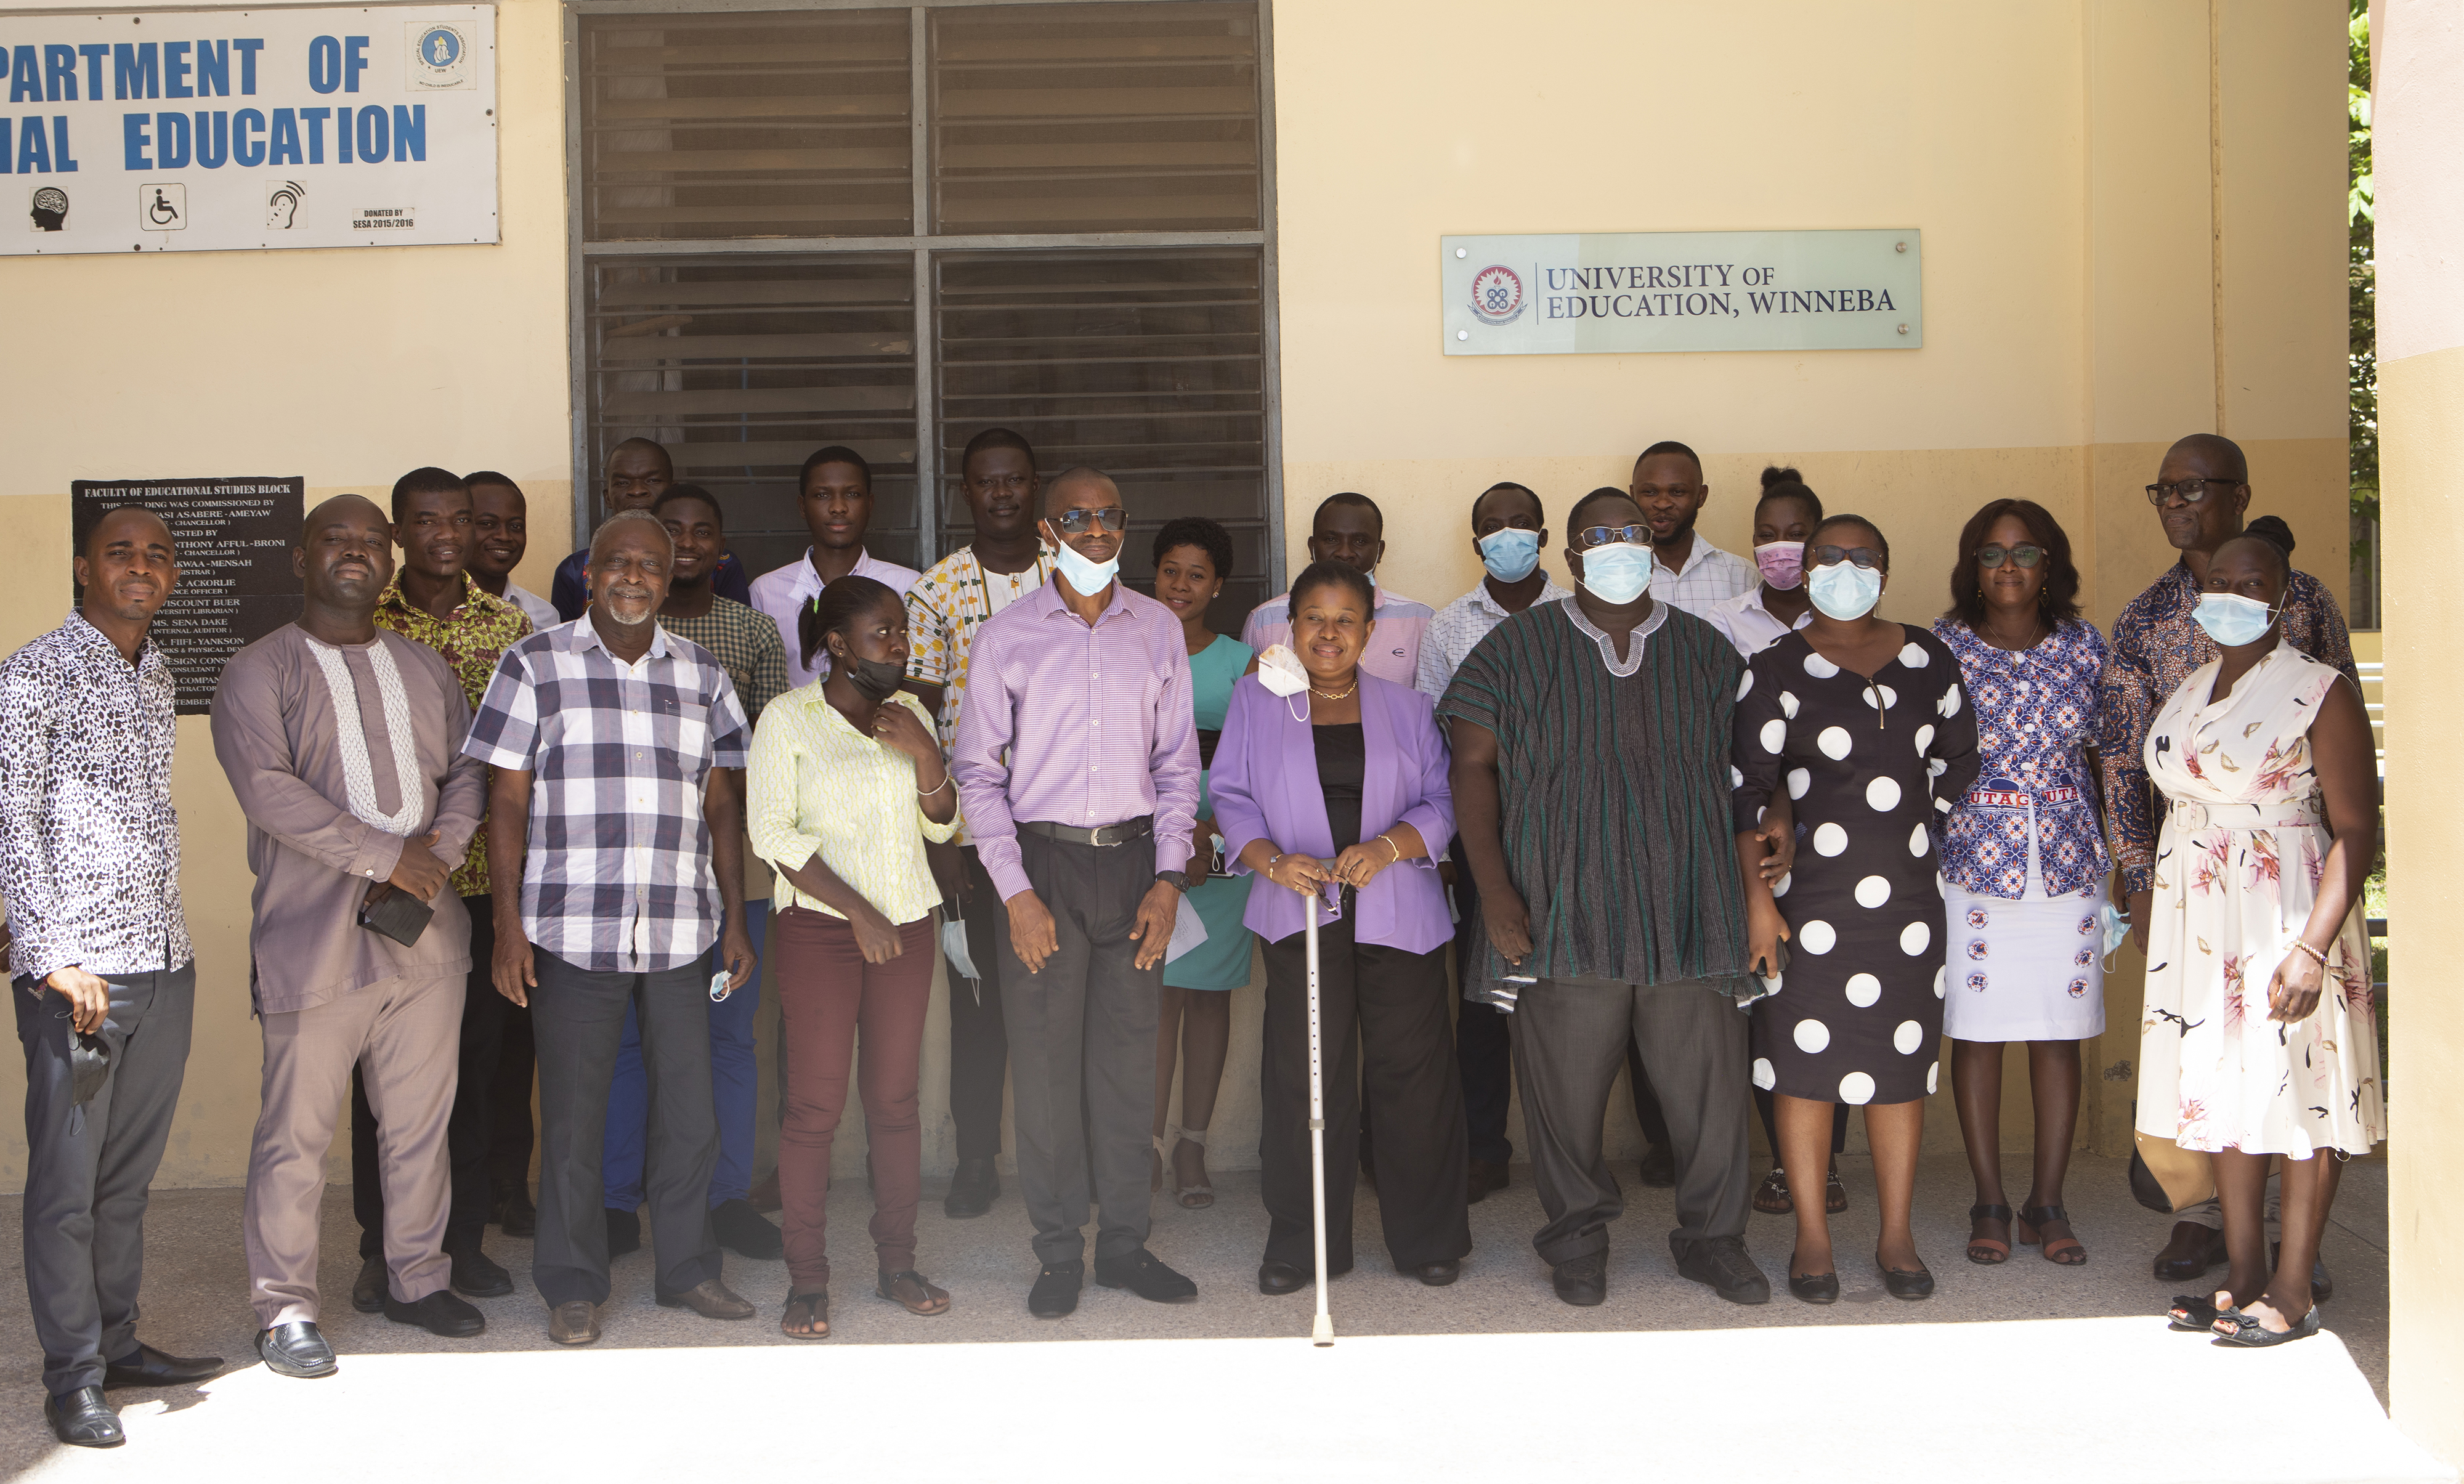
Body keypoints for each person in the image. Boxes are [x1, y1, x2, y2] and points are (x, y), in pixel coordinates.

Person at [1441, 487, 1775, 1309]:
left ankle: (1713, 1238)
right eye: (1600, 535)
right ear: (1571, 555)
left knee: (1710, 1094)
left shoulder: (1707, 651)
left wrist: (1766, 865)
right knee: (1563, 1096)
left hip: (1690, 910)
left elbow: (1756, 771)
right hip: (1563, 910)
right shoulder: (1517, 648)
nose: (1618, 546)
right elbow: (1470, 768)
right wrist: (1496, 894)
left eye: (1630, 532)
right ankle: (1578, 1238)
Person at [212, 495, 491, 1379]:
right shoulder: (258, 671)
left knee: (418, 1123)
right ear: (302, 557)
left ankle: (417, 1276)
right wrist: (385, 855)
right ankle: (285, 1307)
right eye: (337, 538)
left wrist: (433, 857)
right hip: (313, 937)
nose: (357, 553)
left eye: (373, 541)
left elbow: (469, 773)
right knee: (294, 1134)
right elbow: (268, 789)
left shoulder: (425, 669)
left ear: (393, 557)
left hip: (427, 937)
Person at [465, 510, 760, 1346]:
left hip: (680, 929)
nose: (634, 577)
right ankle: (571, 1282)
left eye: (651, 566)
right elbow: (507, 798)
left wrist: (736, 919)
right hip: (570, 927)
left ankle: (688, 1269)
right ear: (590, 574)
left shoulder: (701, 674)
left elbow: (720, 802)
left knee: (688, 1112)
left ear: (672, 581)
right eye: (618, 563)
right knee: (573, 1115)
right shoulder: (533, 663)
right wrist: (509, 928)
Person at [2099, 434, 2356, 1284]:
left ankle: (2294, 1258)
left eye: (2196, 488)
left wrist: (2316, 931)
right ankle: (2221, 1241)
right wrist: (2137, 877)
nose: (2178, 503)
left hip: (2284, 886)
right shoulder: (2149, 626)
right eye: (2164, 490)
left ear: (2239, 495)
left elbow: (2343, 759)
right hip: (2193, 899)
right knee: (2214, 1068)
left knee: (2294, 1071)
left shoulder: (2311, 618)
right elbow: (2120, 756)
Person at [952, 466, 1202, 1318]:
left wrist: (1170, 880)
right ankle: (1059, 1251)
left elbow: (1176, 768)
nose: (1096, 532)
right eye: (1077, 519)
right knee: (1051, 1075)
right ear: (1049, 531)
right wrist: (1016, 894)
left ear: (1125, 527)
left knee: (1130, 1073)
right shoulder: (1008, 637)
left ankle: (1125, 1247)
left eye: (1110, 518)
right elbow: (977, 776)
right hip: (1042, 870)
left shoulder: (1158, 628)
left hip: (1134, 868)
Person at [2, 506, 220, 1448]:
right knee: (65, 1186)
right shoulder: (32, 673)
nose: (142, 567)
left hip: (164, 963)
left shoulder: (157, 671)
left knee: (125, 1182)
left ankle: (119, 1340)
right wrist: (51, 954)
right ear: (84, 566)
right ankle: (73, 1376)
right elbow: (12, 820)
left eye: (157, 555)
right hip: (78, 977)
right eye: (121, 553)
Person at [2138, 533, 2381, 1345]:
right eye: (2219, 582)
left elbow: (2355, 830)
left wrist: (2312, 948)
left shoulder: (2320, 690)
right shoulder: (2194, 686)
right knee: (2224, 1091)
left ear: (2285, 596)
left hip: (2286, 909)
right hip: (2205, 922)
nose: (2233, 595)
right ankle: (2242, 1272)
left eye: (2254, 583)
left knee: (2301, 1089)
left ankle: (2292, 1285)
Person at [1733, 514, 1980, 1304]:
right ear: (1803, 569)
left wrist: (1903, 829)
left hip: (1907, 900)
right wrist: (1758, 899)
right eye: (1828, 557)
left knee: (1898, 1068)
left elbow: (1957, 760)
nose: (1845, 569)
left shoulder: (1927, 658)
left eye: (1862, 557)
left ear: (1886, 566)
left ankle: (1896, 1235)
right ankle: (1811, 1236)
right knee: (1801, 1069)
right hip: (1804, 904)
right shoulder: (1774, 668)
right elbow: (1746, 787)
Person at [1216, 560, 1469, 1291]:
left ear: (1369, 630)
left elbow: (1442, 803)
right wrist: (1270, 861)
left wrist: (1389, 847)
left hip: (1399, 914)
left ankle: (1426, 1238)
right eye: (1313, 619)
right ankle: (1304, 1242)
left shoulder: (1410, 709)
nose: (1328, 633)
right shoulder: (1255, 701)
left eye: (1345, 620)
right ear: (1289, 626)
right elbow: (1230, 794)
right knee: (1304, 1080)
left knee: (1413, 1077)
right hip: (1298, 909)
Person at [750, 576, 960, 1339]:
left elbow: (942, 827)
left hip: (906, 926)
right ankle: (807, 1281)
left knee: (895, 1103)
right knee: (813, 1109)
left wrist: (926, 753)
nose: (899, 646)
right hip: (822, 933)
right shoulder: (788, 720)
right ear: (837, 645)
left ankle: (897, 1264)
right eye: (883, 634)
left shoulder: (908, 718)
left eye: (901, 632)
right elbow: (772, 835)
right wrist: (859, 913)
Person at [347, 469, 532, 1318]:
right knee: (379, 1077)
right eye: (427, 521)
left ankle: (459, 1244)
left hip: (487, 880)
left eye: (460, 519)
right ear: (398, 530)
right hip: (388, 884)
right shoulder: (363, 620)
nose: (448, 535)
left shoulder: (511, 627)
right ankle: (377, 1246)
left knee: (476, 1069)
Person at [595, 485, 791, 1263]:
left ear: (709, 549)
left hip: (726, 870)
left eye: (690, 535)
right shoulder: (602, 633)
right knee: (626, 1041)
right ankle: (617, 1199)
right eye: (657, 536)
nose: (670, 551)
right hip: (625, 873)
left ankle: (726, 1197)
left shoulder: (745, 633)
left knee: (727, 1036)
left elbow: (766, 753)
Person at [1933, 500, 2110, 1268]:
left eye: (2026, 552)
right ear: (1972, 567)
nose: (2008, 566)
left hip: (2070, 859)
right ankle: (1989, 1200)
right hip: (1972, 860)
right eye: (1992, 553)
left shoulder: (2084, 646)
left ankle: (2046, 1200)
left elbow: (2113, 758)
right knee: (1976, 1032)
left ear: (2051, 565)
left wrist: (2128, 861)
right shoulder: (1938, 649)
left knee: (2057, 1035)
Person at [904, 428, 1056, 1218]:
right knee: (978, 1007)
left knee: (1060, 1005)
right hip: (972, 835)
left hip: (1066, 829)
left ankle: (1068, 1161)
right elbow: (919, 721)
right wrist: (943, 844)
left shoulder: (1072, 575)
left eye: (1016, 481)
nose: (1002, 494)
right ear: (966, 491)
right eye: (987, 482)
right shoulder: (936, 593)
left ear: (1036, 488)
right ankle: (973, 1161)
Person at [1415, 481, 1569, 1204]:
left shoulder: (1579, 616)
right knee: (1483, 1001)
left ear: (1544, 534)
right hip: (1485, 841)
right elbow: (1436, 744)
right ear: (1474, 542)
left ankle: (1573, 1155)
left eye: (1520, 523)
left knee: (1574, 997)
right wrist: (1449, 846)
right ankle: (1484, 1146)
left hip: (1573, 838)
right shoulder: (1448, 627)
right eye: (1491, 526)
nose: (1506, 534)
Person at [1704, 470, 1849, 1218]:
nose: (1779, 547)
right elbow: (1729, 738)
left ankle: (1828, 1167)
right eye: (1766, 533)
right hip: (1751, 832)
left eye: (1795, 534)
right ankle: (1782, 1162)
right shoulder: (1727, 623)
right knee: (1768, 998)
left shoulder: (1854, 627)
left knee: (1835, 996)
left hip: (1844, 842)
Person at [1148, 517, 1255, 1209]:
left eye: (1196, 574)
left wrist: (1211, 831)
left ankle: (1193, 1145)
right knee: (1156, 997)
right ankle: (1145, 1147)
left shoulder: (1243, 660)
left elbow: (1255, 758)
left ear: (1217, 585)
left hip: (1222, 840)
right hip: (1150, 844)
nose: (1180, 585)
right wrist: (1169, 835)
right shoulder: (1126, 647)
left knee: (1209, 997)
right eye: (1169, 571)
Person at [462, 469, 546, 1236]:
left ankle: (506, 1188)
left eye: (511, 523)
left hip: (514, 871)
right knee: (452, 1052)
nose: (500, 537)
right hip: (430, 873)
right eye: (483, 522)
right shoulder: (395, 623)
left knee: (514, 1039)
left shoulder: (538, 624)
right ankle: (448, 1208)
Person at [750, 445, 923, 691]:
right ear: (802, 507)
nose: (838, 507)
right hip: (792, 729)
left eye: (852, 495)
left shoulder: (907, 585)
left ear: (870, 503)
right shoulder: (765, 592)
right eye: (822, 495)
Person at [1241, 492, 1434, 686]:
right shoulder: (1264, 620)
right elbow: (1253, 703)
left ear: (1380, 551)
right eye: (1332, 539)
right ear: (1312, 547)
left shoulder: (1421, 621)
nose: (1344, 553)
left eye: (1360, 542)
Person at [549, 439, 751, 621]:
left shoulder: (717, 563)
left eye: (653, 481)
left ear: (673, 490)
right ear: (608, 497)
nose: (637, 491)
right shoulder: (575, 570)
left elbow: (739, 625)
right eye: (622, 483)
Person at [1632, 440, 1758, 612]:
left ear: (1701, 496)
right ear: (1633, 496)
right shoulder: (1614, 575)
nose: (1662, 504)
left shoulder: (1742, 576)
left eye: (1677, 492)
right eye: (1650, 492)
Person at [465, 471, 560, 633]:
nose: (504, 536)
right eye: (487, 524)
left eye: (515, 526)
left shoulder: (543, 617)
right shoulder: (427, 613)